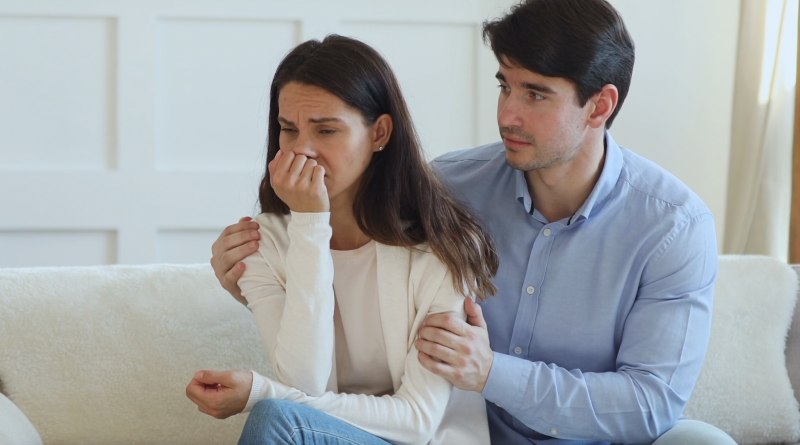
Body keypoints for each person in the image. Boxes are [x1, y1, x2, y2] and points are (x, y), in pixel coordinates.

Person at [208, 1, 738, 444]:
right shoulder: (444, 191)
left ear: (600, 105)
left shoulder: (672, 226)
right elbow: (350, 285)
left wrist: (490, 373)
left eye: (535, 94)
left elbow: (650, 405)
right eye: (505, 86)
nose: (508, 113)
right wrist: (259, 284)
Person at [185, 35, 501, 445]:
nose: (303, 150)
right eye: (288, 129)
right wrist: (310, 224)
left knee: (276, 417)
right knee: (280, 417)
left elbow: (417, 421)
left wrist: (263, 392)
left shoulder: (442, 246)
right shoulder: (264, 244)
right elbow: (305, 380)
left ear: (379, 133)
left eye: (327, 130)